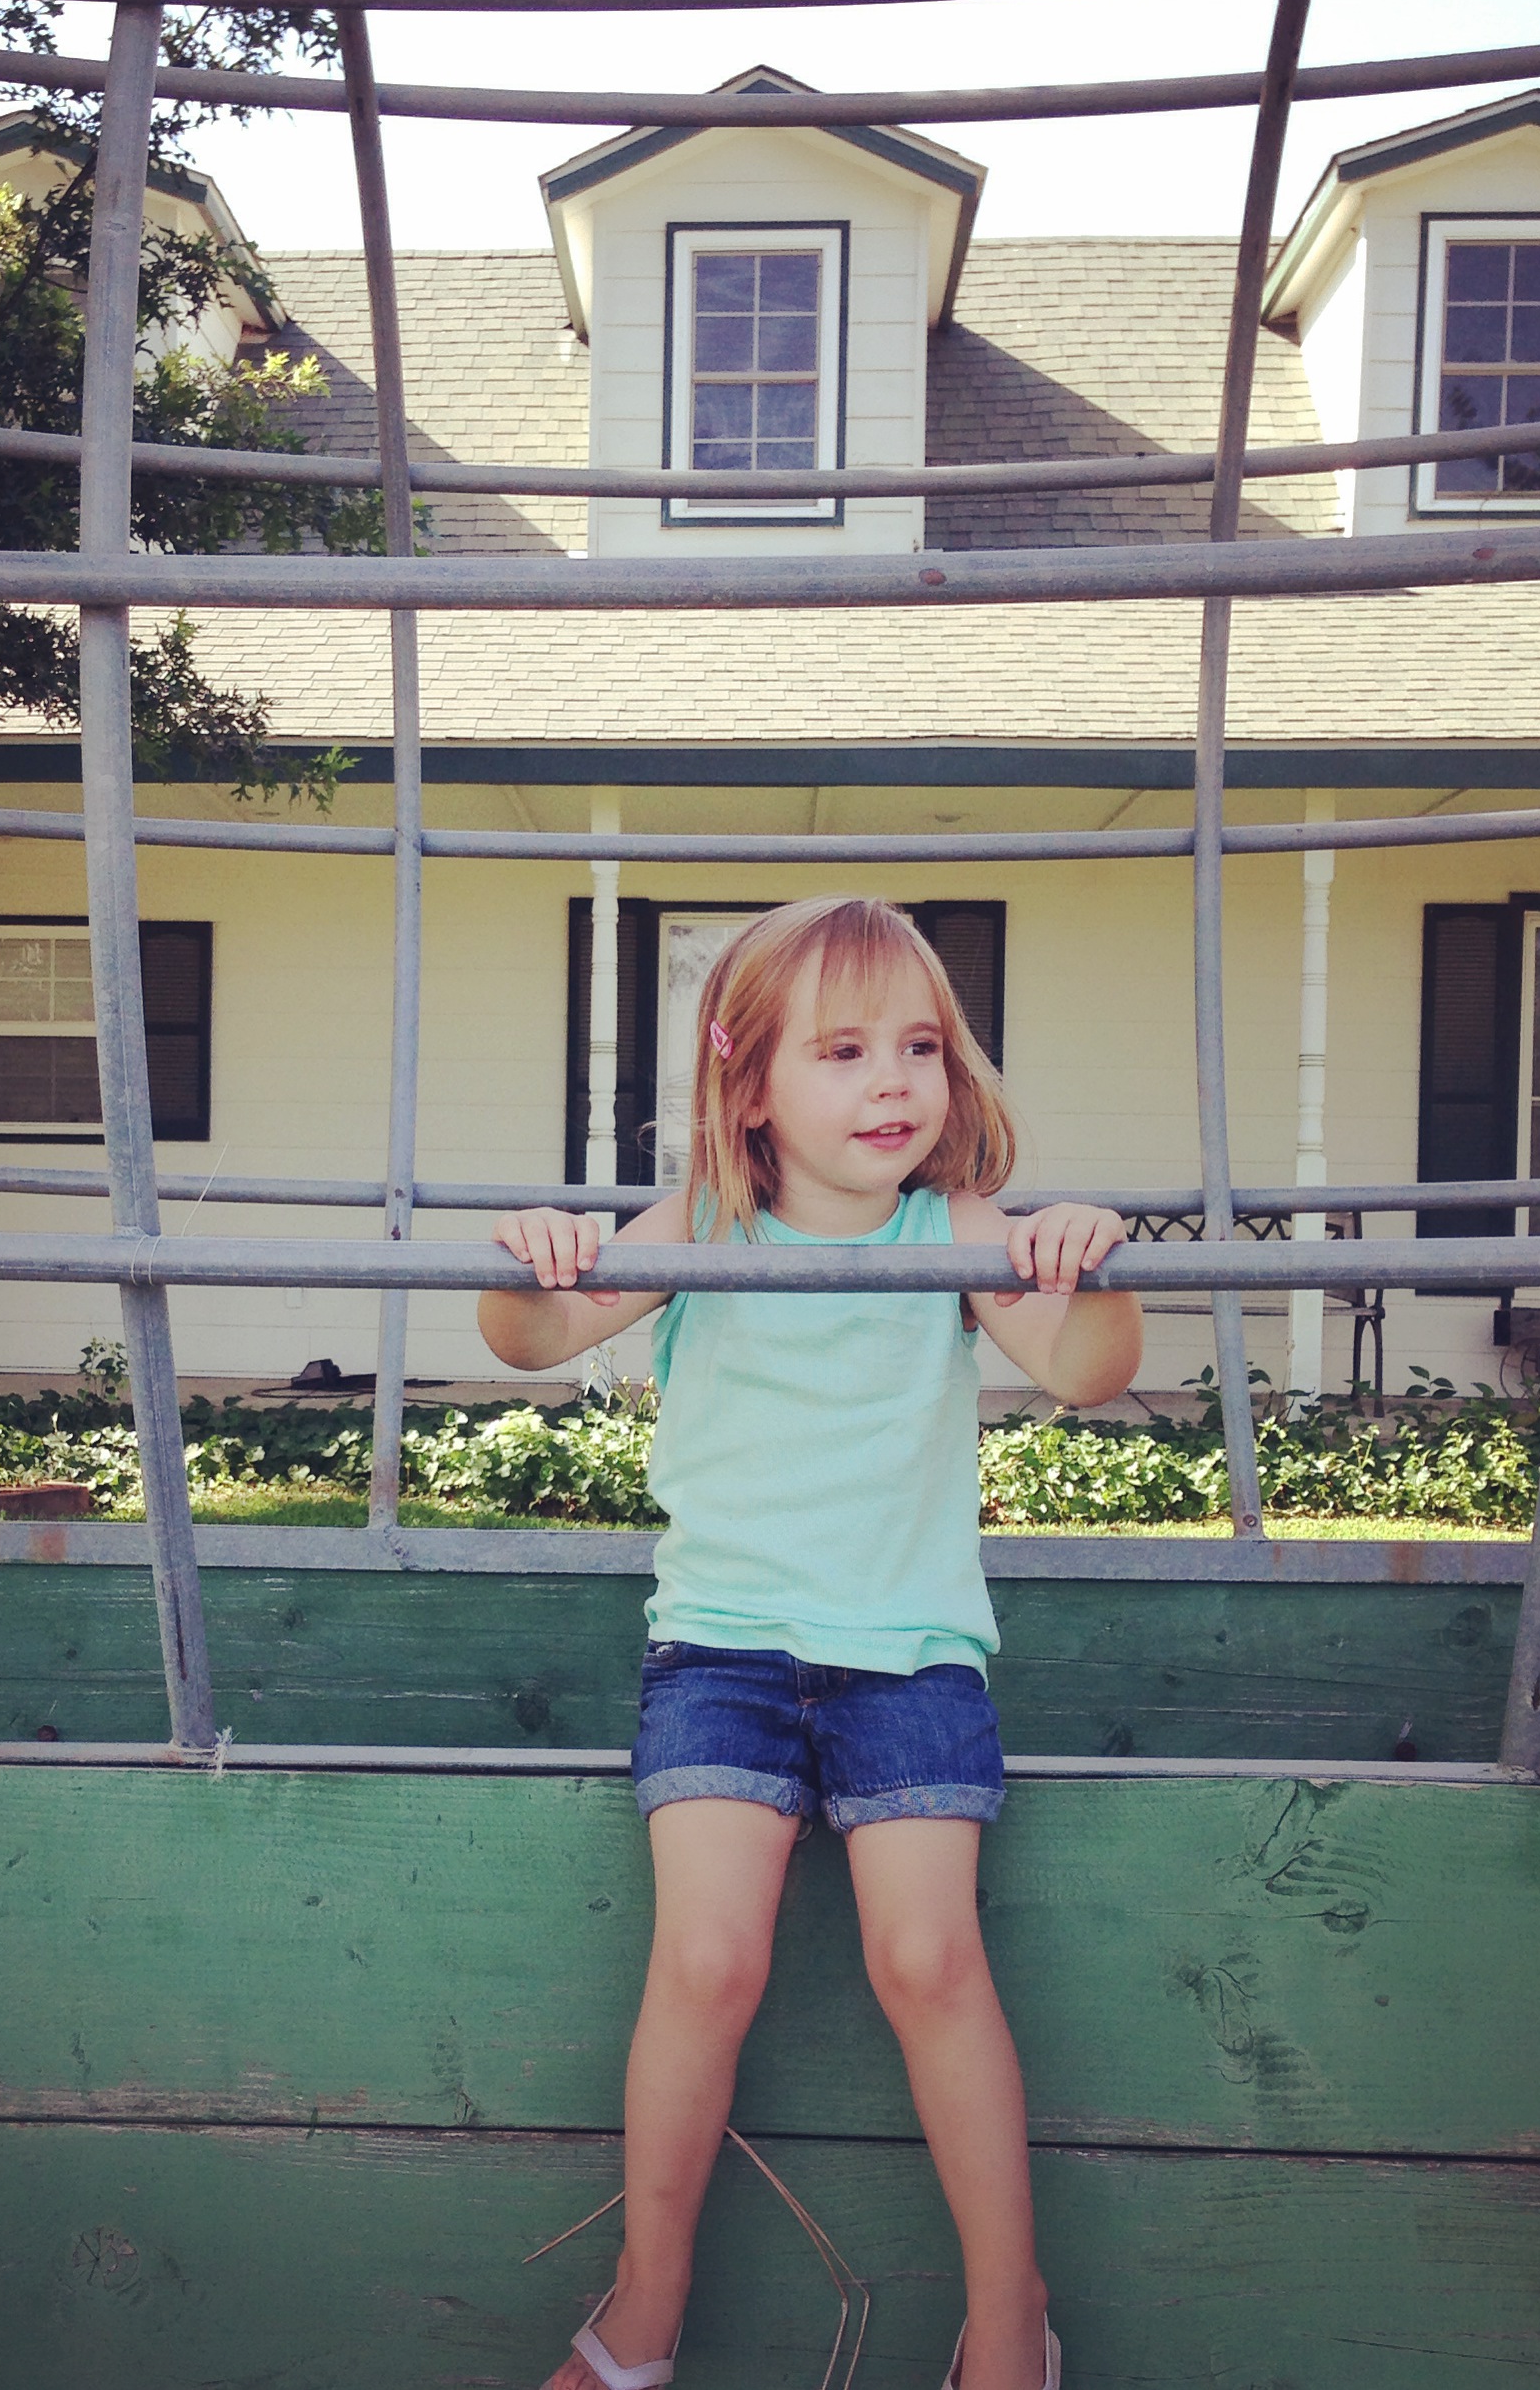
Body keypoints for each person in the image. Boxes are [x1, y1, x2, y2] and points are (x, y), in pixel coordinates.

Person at [479, 896, 1142, 2390]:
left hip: (909, 1656)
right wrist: (540, 1262)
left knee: (928, 1958)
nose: (891, 1082)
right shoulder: (699, 1229)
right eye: (841, 1053)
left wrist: (1086, 1270)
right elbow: (533, 1338)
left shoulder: (957, 1231)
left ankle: (1008, 2313)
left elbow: (1087, 1373)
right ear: (750, 1086)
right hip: (722, 1655)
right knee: (707, 1960)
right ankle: (648, 2298)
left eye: (919, 1047)